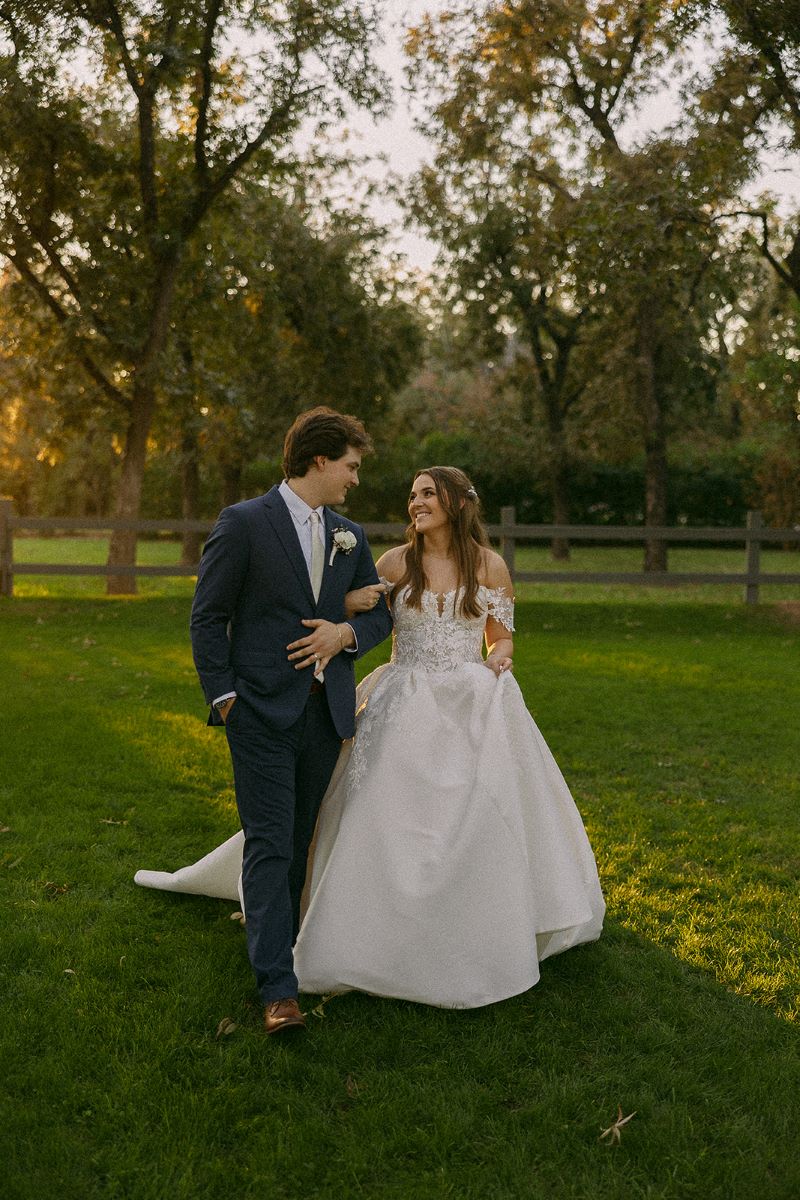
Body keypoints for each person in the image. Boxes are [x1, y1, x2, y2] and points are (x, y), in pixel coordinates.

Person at [137, 466, 604, 1012]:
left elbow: (499, 636)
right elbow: (354, 611)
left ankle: (463, 921)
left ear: (456, 502)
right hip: (400, 696)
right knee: (367, 810)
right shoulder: (392, 562)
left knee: (473, 812)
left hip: (467, 700)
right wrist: (344, 616)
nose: (416, 503)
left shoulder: (490, 566)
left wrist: (500, 658)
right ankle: (336, 918)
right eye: (412, 495)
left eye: (427, 494)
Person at [173, 406, 392, 1035]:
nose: (355, 479)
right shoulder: (244, 523)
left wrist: (344, 631)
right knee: (269, 842)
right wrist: (224, 698)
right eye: (350, 466)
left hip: (326, 716)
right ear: (320, 459)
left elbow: (379, 615)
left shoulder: (349, 533)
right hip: (260, 713)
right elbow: (207, 617)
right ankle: (278, 990)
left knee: (300, 840)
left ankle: (283, 941)